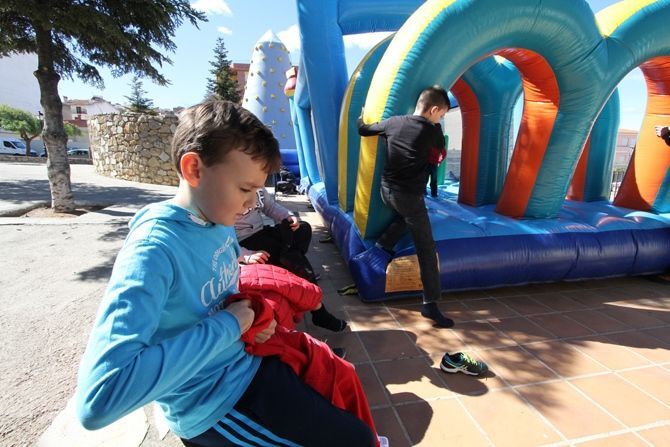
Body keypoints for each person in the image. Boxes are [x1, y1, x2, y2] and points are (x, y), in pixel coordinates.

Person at [76, 99, 377, 447]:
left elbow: (219, 295)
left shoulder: (218, 221)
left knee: (347, 406)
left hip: (246, 362)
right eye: (245, 189)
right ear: (194, 169)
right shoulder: (153, 251)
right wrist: (231, 324)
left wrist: (250, 320)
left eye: (257, 191)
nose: (250, 205)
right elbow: (99, 399)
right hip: (213, 403)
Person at [358, 85, 454, 328]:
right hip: (409, 196)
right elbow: (439, 155)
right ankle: (430, 303)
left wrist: (361, 117)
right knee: (426, 247)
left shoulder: (393, 123)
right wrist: (437, 130)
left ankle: (383, 245)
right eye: (442, 115)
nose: (440, 119)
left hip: (385, 192)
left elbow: (363, 130)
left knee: (407, 217)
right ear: (433, 110)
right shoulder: (432, 131)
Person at [235, 188, 347, 332]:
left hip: (262, 232)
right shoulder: (226, 193)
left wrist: (288, 216)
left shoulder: (257, 186)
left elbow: (270, 207)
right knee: (296, 262)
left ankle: (289, 259)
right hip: (245, 243)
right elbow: (222, 241)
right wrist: (246, 256)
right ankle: (319, 312)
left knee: (303, 229)